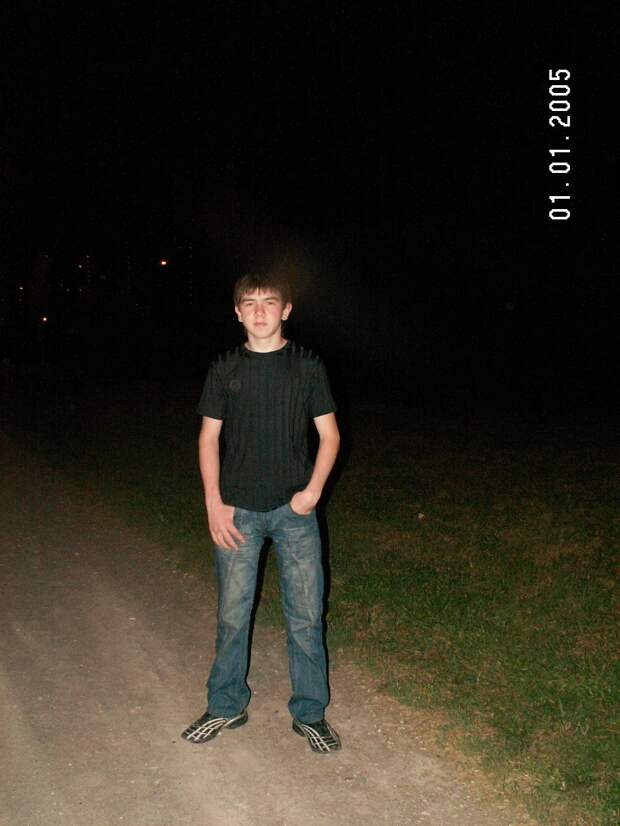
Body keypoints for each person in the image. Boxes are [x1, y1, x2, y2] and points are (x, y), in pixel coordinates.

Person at [181, 271, 342, 753]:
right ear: (237, 312)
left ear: (286, 310)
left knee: (306, 616)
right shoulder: (224, 368)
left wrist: (313, 492)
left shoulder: (307, 366)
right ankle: (226, 704)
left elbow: (330, 436)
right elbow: (208, 438)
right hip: (237, 513)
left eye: (269, 302)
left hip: (295, 512)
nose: (259, 311)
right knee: (233, 615)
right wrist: (213, 503)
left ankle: (310, 713)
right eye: (249, 303)